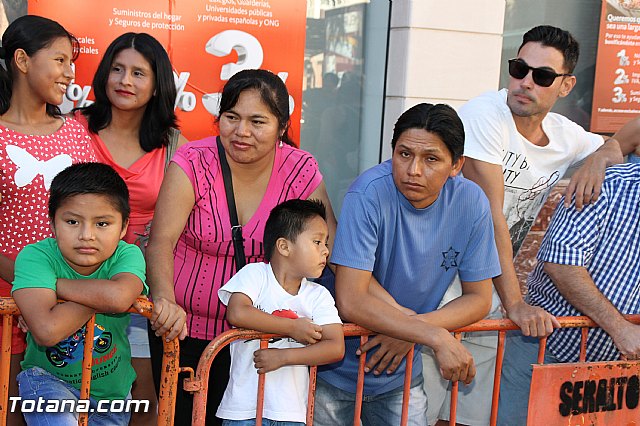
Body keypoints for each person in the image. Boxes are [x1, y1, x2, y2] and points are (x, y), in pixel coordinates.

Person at [423, 25, 640, 426]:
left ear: (566, 84)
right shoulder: (485, 115)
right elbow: (493, 215)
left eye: (542, 76)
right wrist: (516, 302)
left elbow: (629, 134)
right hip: (436, 287)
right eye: (519, 69)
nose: (525, 83)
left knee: (468, 416)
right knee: (419, 413)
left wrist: (604, 153)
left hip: (487, 292)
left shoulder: (565, 137)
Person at [145, 68, 337, 425]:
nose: (241, 131)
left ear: (282, 127)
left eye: (257, 121)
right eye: (231, 117)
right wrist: (164, 300)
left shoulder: (300, 170)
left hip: (264, 340)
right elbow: (161, 240)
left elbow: (326, 241)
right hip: (187, 334)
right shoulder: (193, 161)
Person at [313, 103, 501, 425]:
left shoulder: (472, 202)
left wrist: (414, 331)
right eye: (404, 155)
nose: (413, 170)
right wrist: (435, 336)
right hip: (335, 366)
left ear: (456, 165)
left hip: (402, 371)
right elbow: (350, 298)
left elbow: (480, 298)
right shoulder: (368, 193)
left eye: (431, 159)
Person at [75, 32, 187, 425]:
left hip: (138, 287)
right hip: (76, 280)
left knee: (142, 401)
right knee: (69, 395)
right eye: (118, 69)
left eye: (139, 73)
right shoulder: (75, 129)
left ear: (158, 84)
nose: (125, 80)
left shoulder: (174, 144)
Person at [0, 15, 96, 425]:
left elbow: (98, 215)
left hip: (68, 308)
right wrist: (34, 290)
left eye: (71, 61)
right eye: (59, 60)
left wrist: (63, 292)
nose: (69, 72)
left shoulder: (76, 134)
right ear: (22, 60)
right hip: (8, 303)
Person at [497, 162, 640, 424]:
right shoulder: (604, 185)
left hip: (618, 374)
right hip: (545, 349)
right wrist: (620, 328)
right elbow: (562, 264)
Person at [11, 162, 147, 425]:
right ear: (52, 222)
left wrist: (55, 285)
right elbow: (47, 330)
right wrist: (102, 296)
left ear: (123, 227)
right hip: (46, 380)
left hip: (112, 396)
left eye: (102, 224)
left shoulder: (127, 254)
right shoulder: (36, 256)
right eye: (72, 221)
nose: (87, 235)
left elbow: (118, 298)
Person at [217, 198, 344, 425]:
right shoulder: (255, 275)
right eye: (317, 242)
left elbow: (335, 347)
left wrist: (284, 357)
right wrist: (292, 327)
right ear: (284, 246)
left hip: (292, 414)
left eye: (326, 242)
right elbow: (237, 313)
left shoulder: (318, 295)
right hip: (243, 410)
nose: (326, 251)